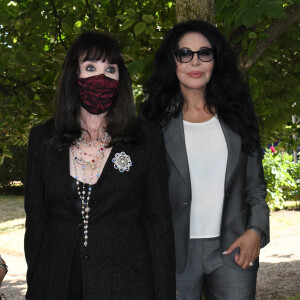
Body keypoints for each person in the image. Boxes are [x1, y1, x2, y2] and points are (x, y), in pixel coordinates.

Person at [24, 31, 176, 299]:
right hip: (57, 281)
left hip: (126, 282)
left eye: (111, 70)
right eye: (91, 67)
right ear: (74, 76)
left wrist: (164, 292)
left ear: (121, 80)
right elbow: (36, 220)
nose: (101, 78)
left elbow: (159, 225)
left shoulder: (146, 138)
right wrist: (35, 282)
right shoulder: (43, 138)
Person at [140, 20, 270, 299]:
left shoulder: (238, 114)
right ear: (172, 62)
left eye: (204, 53)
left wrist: (256, 231)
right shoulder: (152, 121)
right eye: (184, 53)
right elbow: (142, 193)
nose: (195, 62)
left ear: (215, 59)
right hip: (173, 254)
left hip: (234, 249)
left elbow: (255, 186)